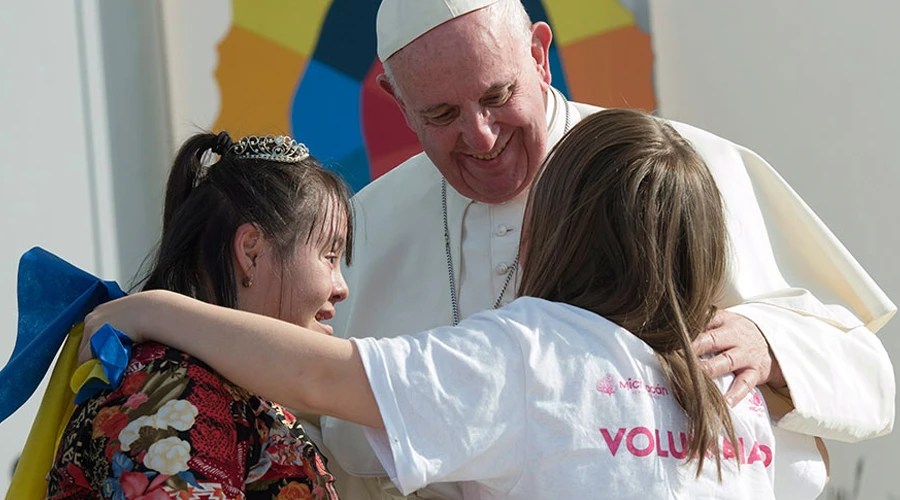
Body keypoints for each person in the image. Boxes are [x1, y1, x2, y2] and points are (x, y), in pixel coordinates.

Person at [78, 108, 830, 499]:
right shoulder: (736, 397)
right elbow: (812, 470)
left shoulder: (538, 355)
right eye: (331, 254)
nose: (343, 286)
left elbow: (320, 379)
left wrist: (152, 310)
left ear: (556, 230)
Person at [317, 0, 895, 498]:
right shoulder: (363, 225)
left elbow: (869, 376)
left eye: (499, 95)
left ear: (540, 55)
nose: (482, 135)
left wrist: (768, 341)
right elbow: (320, 424)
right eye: (442, 115)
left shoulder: (680, 171)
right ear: (395, 98)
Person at [50, 132, 349, 499]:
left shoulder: (209, 382)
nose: (341, 287)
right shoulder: (177, 392)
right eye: (330, 257)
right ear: (251, 251)